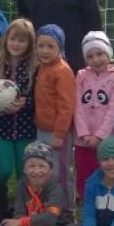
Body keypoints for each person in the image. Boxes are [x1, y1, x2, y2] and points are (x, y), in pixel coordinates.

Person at [0, 142, 72, 226]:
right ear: (24, 169)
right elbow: (18, 214)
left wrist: (22, 223)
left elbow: (51, 217)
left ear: (51, 170)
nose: (36, 171)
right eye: (31, 166)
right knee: (5, 225)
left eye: (42, 166)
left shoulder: (56, 188)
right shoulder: (21, 185)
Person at [72, 31, 114, 203]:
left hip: (107, 139)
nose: (96, 60)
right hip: (84, 140)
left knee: (108, 171)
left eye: (100, 54)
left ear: (108, 53)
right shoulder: (81, 75)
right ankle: (86, 201)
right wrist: (84, 134)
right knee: (84, 171)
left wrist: (100, 136)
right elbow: (76, 106)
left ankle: (108, 203)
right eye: (90, 56)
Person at [0, 18, 38, 183]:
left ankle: (22, 198)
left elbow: (39, 97)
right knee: (4, 169)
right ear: (6, 40)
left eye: (22, 40)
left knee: (23, 171)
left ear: (30, 44)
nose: (16, 44)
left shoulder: (35, 67)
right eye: (13, 39)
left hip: (26, 129)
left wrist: (26, 103)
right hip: (3, 128)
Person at [33, 24, 76, 200]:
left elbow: (66, 106)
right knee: (46, 167)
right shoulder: (42, 67)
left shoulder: (62, 70)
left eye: (50, 46)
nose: (45, 51)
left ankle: (66, 207)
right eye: (41, 46)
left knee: (60, 170)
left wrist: (59, 134)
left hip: (58, 133)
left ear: (60, 47)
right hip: (42, 129)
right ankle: (49, 203)